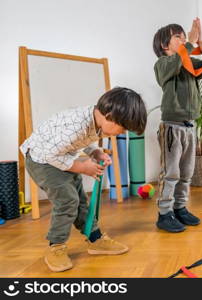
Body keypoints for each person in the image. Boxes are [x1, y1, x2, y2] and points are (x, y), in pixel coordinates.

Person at [20, 87, 147, 272]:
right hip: (42, 160)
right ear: (110, 115)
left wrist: (95, 152)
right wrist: (82, 167)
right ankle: (55, 247)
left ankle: (95, 238)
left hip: (61, 157)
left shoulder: (95, 118)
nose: (121, 133)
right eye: (123, 128)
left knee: (80, 200)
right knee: (67, 200)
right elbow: (49, 155)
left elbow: (87, 139)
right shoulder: (75, 126)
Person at [153, 18, 202, 232]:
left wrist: (201, 43)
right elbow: (175, 63)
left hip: (189, 127)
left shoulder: (187, 65)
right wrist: (189, 43)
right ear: (165, 45)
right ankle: (164, 214)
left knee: (186, 172)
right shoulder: (163, 64)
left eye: (183, 35)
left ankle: (180, 208)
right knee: (170, 172)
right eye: (177, 37)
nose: (183, 39)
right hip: (171, 127)